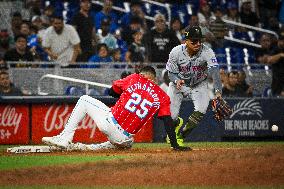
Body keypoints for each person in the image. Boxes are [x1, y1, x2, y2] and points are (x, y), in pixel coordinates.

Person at [42, 66, 190, 151]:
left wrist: (127, 92)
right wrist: (175, 145)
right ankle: (83, 148)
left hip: (110, 123)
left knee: (84, 99)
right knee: (124, 141)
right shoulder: (163, 96)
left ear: (143, 75)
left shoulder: (134, 78)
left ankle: (65, 138)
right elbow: (167, 121)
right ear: (155, 79)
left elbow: (112, 92)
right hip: (125, 138)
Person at [166, 25, 223, 146]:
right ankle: (176, 124)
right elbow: (171, 73)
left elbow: (215, 71)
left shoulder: (207, 51)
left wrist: (218, 92)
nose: (198, 43)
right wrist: (176, 80)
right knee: (171, 117)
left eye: (200, 40)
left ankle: (180, 137)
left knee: (201, 110)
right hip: (179, 84)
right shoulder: (176, 52)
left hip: (199, 84)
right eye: (194, 41)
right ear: (186, 41)